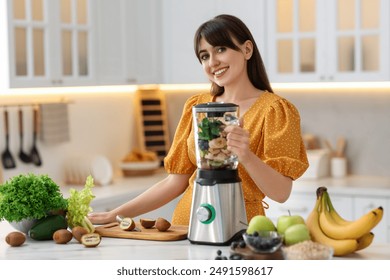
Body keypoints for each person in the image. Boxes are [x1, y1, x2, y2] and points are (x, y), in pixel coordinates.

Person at [88, 14, 309, 226]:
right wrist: (115, 214)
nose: (212, 62)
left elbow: (281, 193)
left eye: (220, 49)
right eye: (204, 56)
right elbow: (175, 182)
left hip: (242, 228)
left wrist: (246, 155)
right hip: (186, 226)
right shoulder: (197, 107)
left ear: (247, 49)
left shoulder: (276, 111)